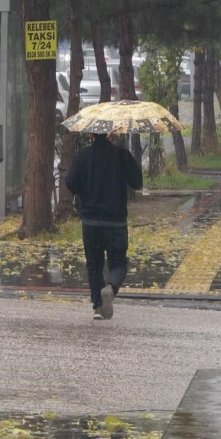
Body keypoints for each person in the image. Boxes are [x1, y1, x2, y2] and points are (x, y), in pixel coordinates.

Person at [65, 133, 143, 320]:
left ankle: (98, 307)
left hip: (90, 221)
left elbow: (71, 184)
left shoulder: (82, 156)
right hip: (116, 221)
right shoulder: (122, 155)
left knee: (94, 265)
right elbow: (137, 183)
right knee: (118, 262)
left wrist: (86, 190)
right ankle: (111, 288)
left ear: (91, 134)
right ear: (111, 134)